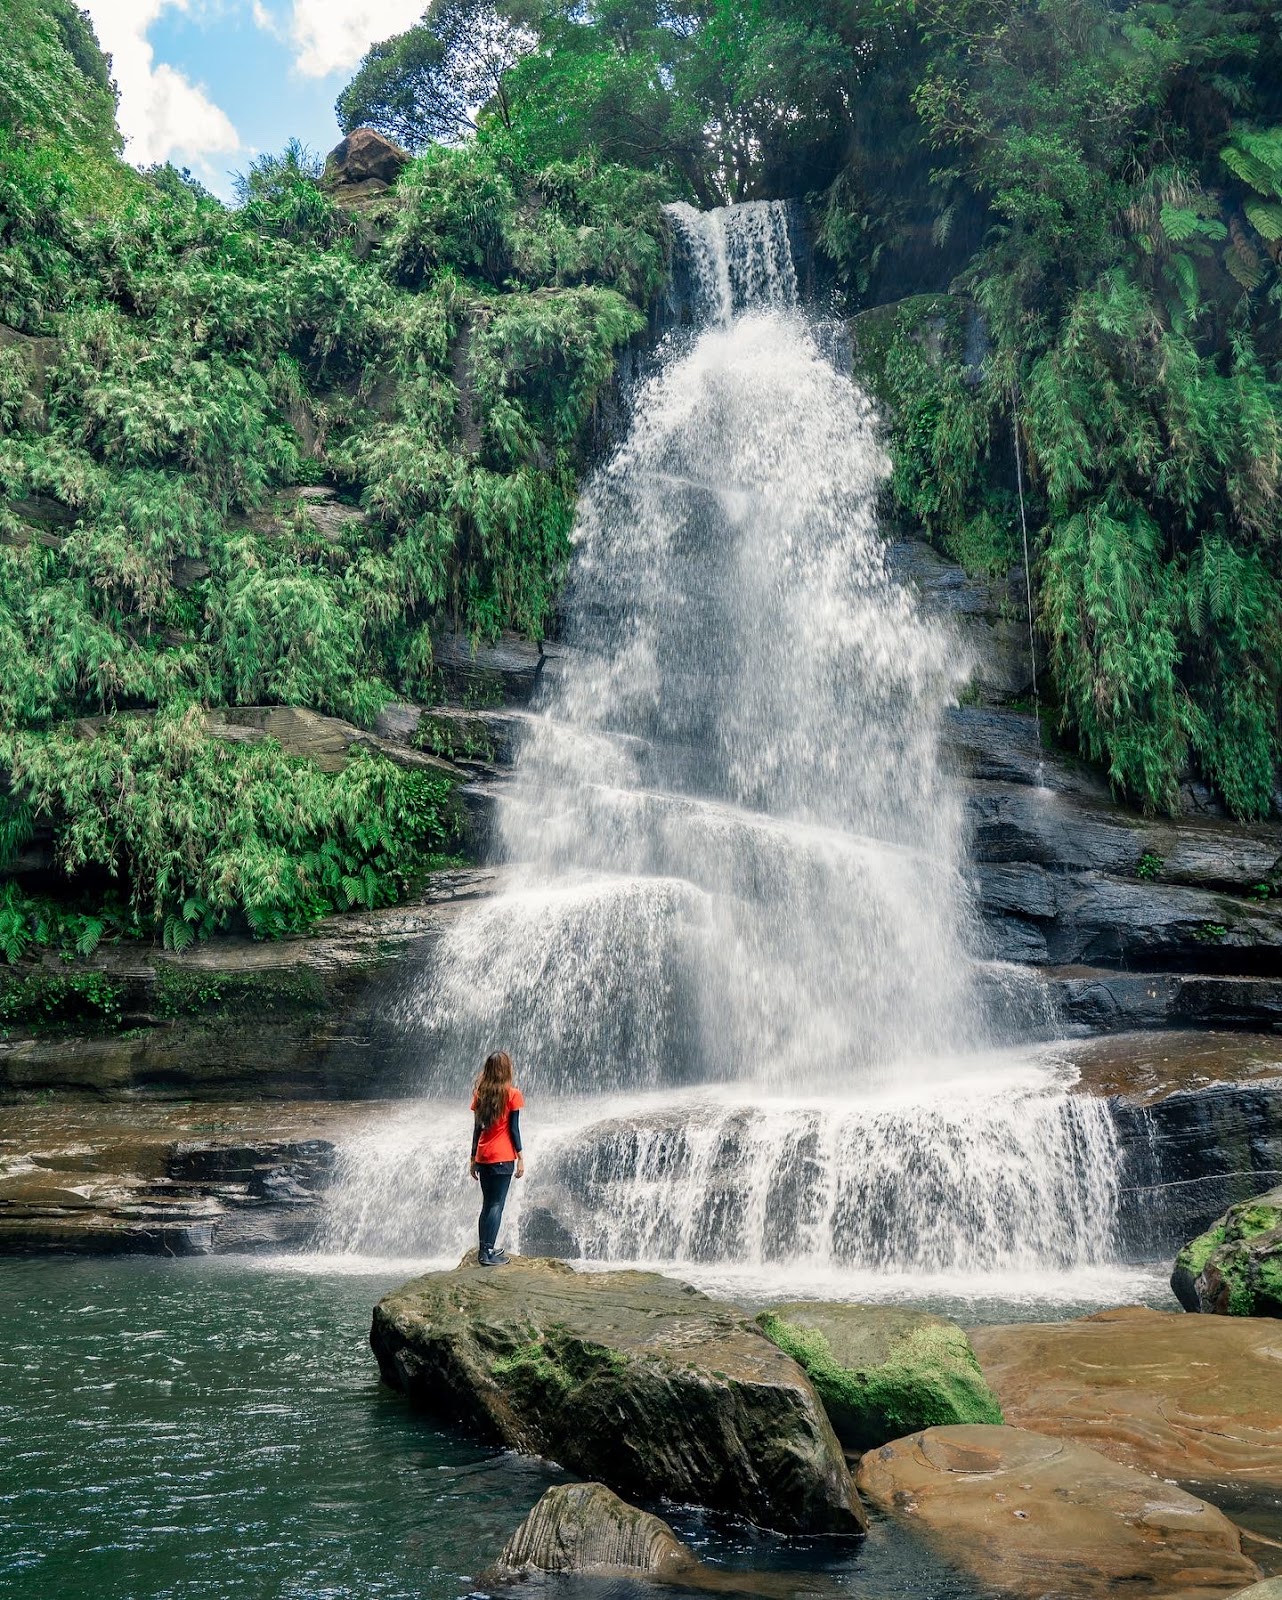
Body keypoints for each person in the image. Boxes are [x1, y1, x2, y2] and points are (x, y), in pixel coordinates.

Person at [469, 1049, 524, 1266]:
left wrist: (472, 1157)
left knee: (487, 1204)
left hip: (483, 1155)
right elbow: (514, 1129)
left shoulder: (480, 1094)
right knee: (496, 1205)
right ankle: (487, 1253)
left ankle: (485, 1248)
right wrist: (520, 1157)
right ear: (506, 1069)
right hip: (502, 1157)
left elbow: (476, 1128)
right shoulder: (512, 1094)